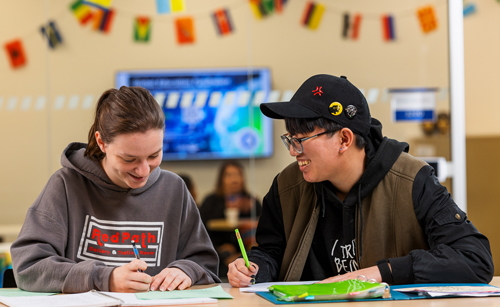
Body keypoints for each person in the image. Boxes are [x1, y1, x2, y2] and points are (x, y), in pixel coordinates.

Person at [228, 74, 494, 287]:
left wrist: (383, 272)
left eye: (301, 140)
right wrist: (251, 268)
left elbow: (474, 258)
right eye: (290, 139)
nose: (292, 151)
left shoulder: (412, 180)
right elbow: (271, 251)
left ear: (345, 139)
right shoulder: (287, 186)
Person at [11, 86, 220, 293]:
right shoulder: (65, 186)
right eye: (129, 159)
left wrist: (186, 270)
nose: (143, 170)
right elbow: (29, 268)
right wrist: (104, 278)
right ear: (102, 142)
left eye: (154, 155)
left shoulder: (174, 189)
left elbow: (204, 263)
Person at [199, 161, 262, 278]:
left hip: (246, 254)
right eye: (229, 175)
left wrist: (247, 211)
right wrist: (219, 249)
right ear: (221, 179)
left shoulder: (251, 202)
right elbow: (201, 231)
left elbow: (261, 232)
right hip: (218, 253)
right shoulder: (211, 202)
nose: (234, 180)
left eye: (238, 174)